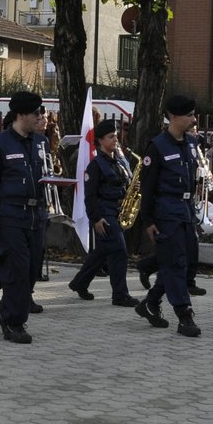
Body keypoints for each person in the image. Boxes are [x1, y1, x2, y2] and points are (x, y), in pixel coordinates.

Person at [0, 91, 51, 343]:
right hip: (10, 214)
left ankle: (7, 311)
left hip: (36, 214)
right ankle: (13, 322)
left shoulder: (41, 142)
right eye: (36, 113)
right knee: (17, 270)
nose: (40, 117)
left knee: (32, 271)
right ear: (21, 115)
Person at [136, 95, 204, 338]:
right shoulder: (157, 146)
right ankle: (184, 314)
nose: (193, 120)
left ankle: (151, 302)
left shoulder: (190, 144)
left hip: (185, 210)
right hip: (166, 211)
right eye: (189, 116)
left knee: (179, 261)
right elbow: (148, 187)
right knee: (175, 264)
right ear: (174, 117)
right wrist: (149, 220)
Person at [67, 119, 140, 308]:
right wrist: (96, 218)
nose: (115, 139)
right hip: (104, 213)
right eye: (111, 137)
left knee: (102, 252)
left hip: (119, 211)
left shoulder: (119, 161)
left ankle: (79, 283)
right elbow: (89, 196)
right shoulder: (95, 165)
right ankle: (120, 295)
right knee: (119, 252)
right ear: (100, 140)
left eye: (116, 135)